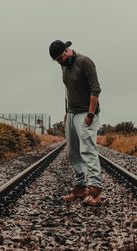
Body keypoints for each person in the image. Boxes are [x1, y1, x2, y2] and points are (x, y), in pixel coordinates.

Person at [49, 40, 102, 206]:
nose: (60, 62)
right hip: (72, 114)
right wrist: (67, 113)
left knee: (88, 150)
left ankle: (95, 189)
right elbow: (69, 90)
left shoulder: (84, 62)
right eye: (57, 60)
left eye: (60, 58)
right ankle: (80, 187)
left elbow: (95, 89)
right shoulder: (63, 65)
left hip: (86, 113)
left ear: (67, 50)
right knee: (73, 153)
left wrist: (91, 115)